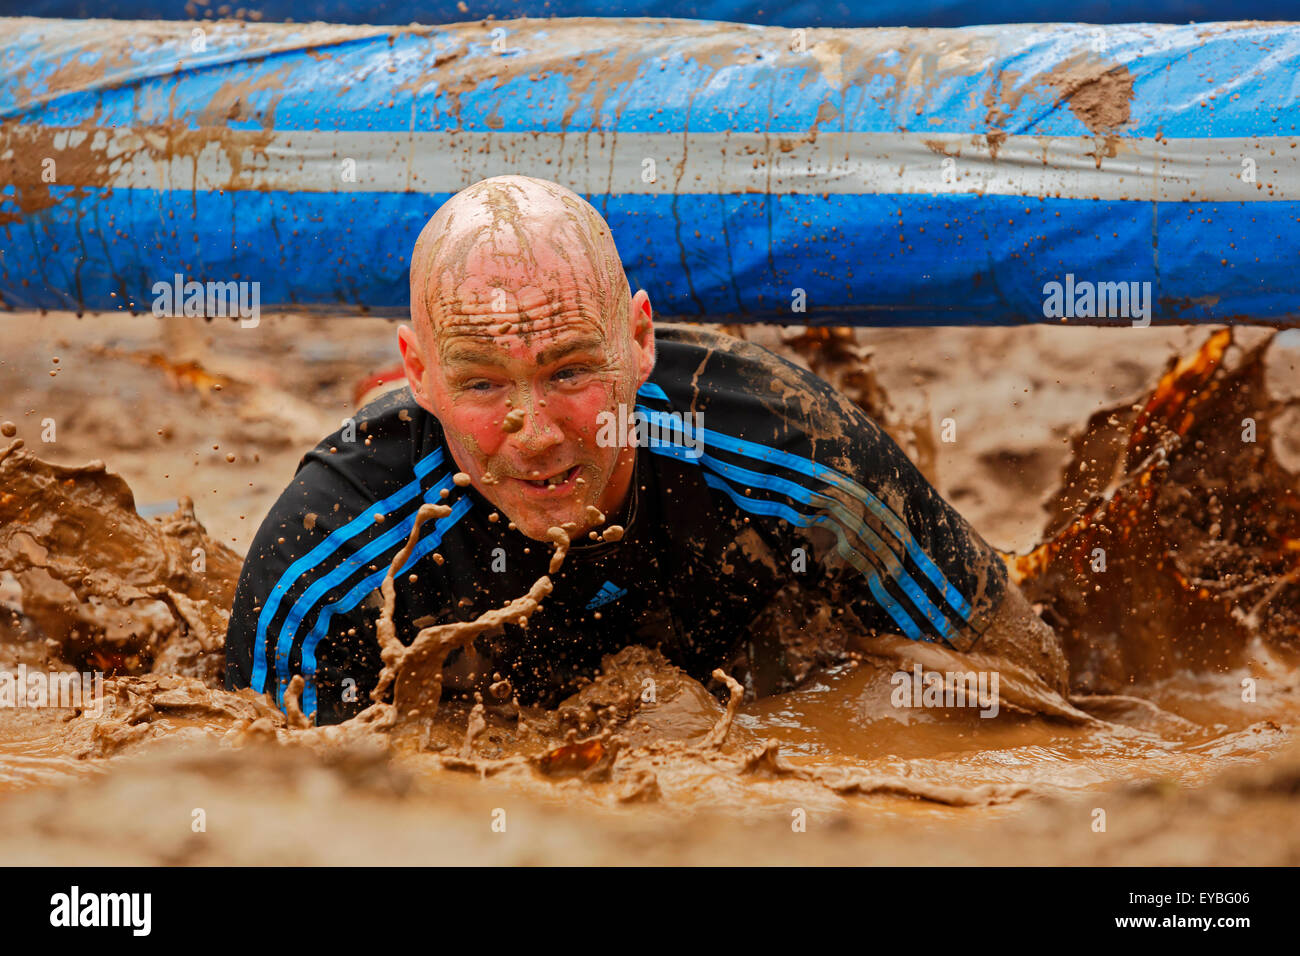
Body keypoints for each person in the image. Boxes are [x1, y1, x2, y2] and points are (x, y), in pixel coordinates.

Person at [225, 175, 1066, 725]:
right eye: (482, 385)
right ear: (420, 375)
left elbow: (1021, 682)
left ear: (638, 341)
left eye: (570, 370)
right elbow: (261, 785)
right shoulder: (331, 542)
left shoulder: (795, 455)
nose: (539, 431)